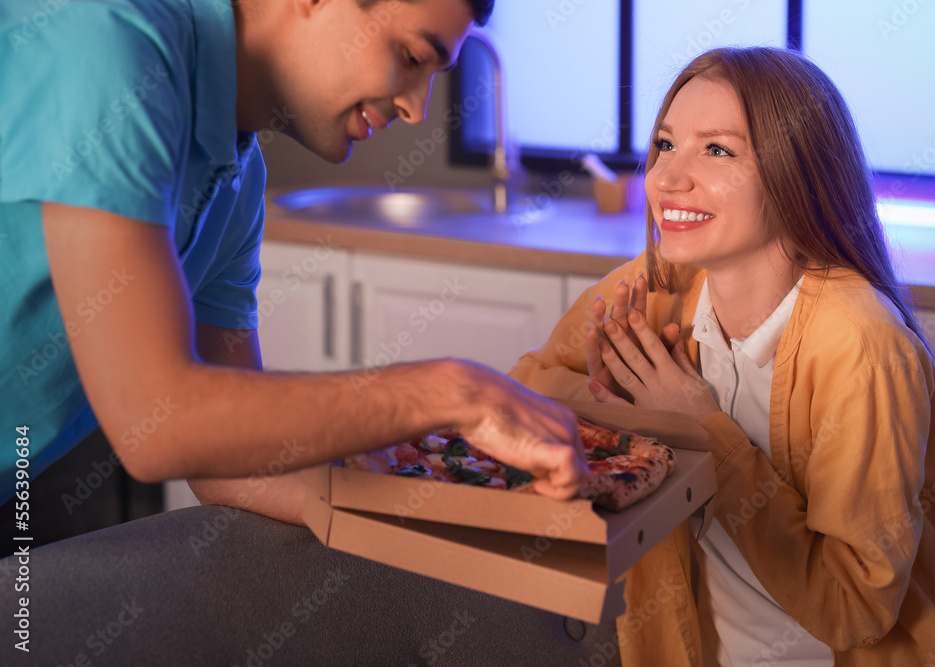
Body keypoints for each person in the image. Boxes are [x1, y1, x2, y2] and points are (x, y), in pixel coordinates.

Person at [0, 0, 588, 530]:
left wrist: (470, 514)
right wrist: (454, 392)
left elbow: (225, 463)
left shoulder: (237, 180)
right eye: (410, 55)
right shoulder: (109, 40)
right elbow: (158, 424)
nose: (416, 107)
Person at [509, 46, 935, 666]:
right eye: (665, 144)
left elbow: (855, 609)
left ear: (800, 174)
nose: (665, 178)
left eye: (717, 149)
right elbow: (521, 387)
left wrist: (700, 427)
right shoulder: (660, 287)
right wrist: (618, 410)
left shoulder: (863, 348)